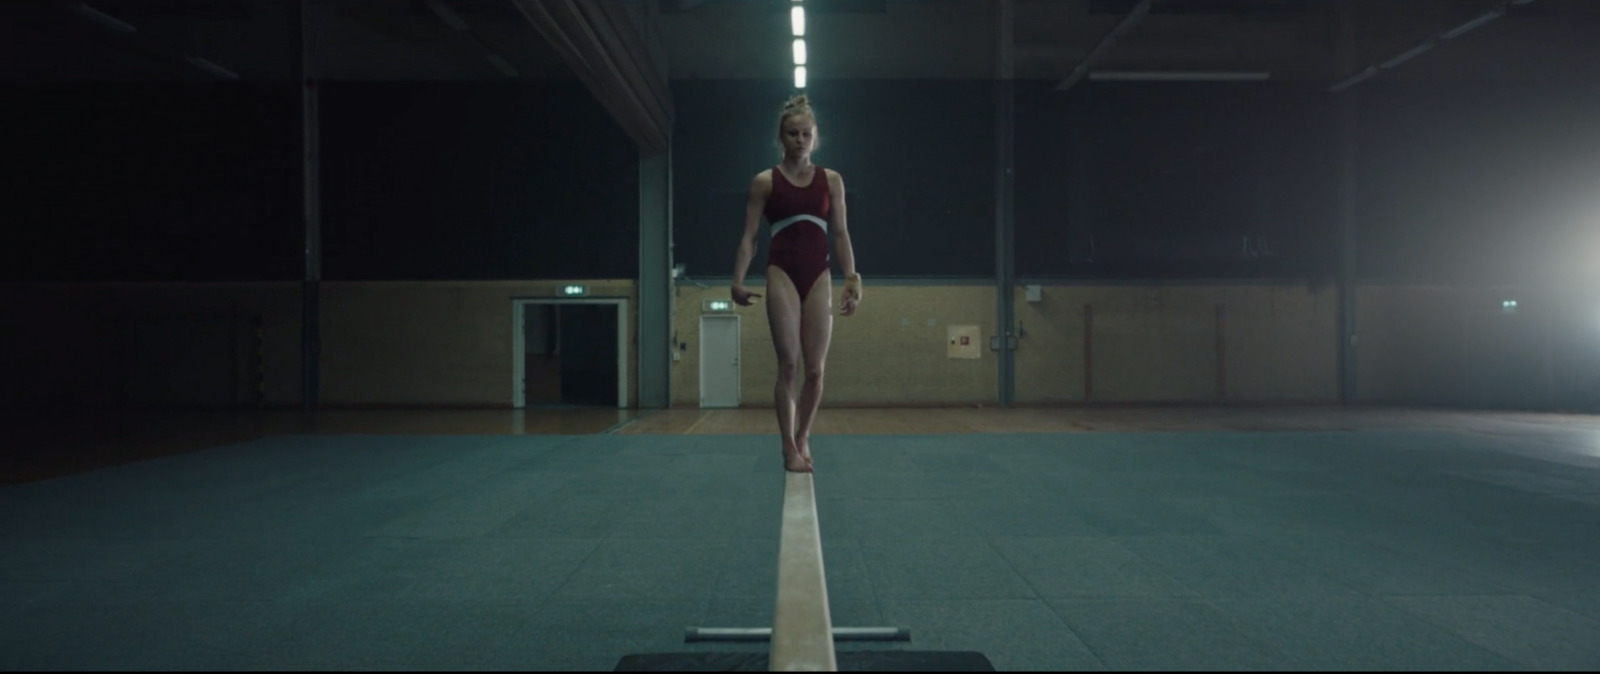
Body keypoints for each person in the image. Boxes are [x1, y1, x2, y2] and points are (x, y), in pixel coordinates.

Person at [730, 94, 861, 473]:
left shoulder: (831, 180)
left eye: (807, 133)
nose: (800, 140)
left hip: (818, 275)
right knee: (789, 364)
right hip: (782, 274)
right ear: (781, 137)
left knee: (816, 370)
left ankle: (803, 436)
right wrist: (736, 280)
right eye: (793, 134)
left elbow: (840, 234)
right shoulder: (765, 182)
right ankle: (788, 447)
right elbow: (750, 237)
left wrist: (852, 280)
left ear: (816, 137)